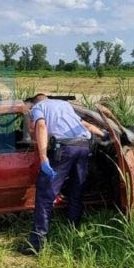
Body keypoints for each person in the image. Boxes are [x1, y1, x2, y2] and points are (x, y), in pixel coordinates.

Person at [23, 93, 108, 254]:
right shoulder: (64, 105)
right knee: (77, 191)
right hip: (83, 148)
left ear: (34, 103)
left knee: (45, 195)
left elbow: (40, 127)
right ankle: (72, 230)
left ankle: (36, 244)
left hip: (64, 150)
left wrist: (43, 158)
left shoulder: (38, 107)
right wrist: (105, 134)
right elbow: (84, 124)